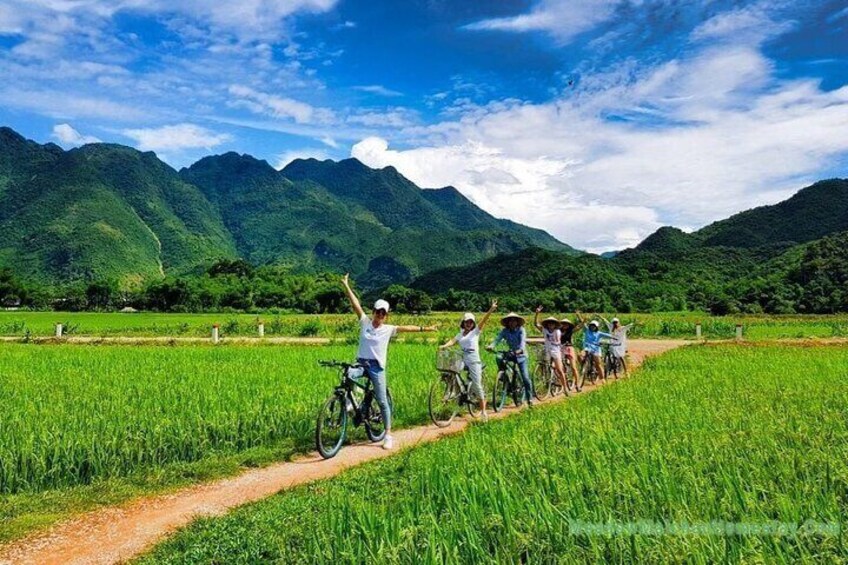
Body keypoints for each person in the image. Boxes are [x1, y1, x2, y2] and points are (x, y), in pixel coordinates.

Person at [341, 274, 436, 450]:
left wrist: (426, 328)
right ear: (373, 311)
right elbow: (355, 304)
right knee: (347, 373)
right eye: (378, 311)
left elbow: (407, 328)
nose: (380, 315)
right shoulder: (365, 322)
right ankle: (350, 400)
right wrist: (346, 285)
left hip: (376, 367)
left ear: (386, 315)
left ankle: (388, 434)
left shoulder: (388, 329)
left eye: (383, 313)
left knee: (382, 401)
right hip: (361, 363)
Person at [439, 300, 498, 421]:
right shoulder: (460, 334)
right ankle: (452, 391)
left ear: (473, 323)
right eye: (467, 322)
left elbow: (483, 321)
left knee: (477, 385)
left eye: (471, 322)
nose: (469, 324)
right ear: (463, 323)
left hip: (474, 360)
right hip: (463, 358)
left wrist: (491, 310)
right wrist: (444, 346)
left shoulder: (475, 332)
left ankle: (483, 411)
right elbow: (453, 341)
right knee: (452, 370)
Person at [486, 312, 534, 407]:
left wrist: (520, 350)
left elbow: (522, 343)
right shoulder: (505, 331)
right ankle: (504, 377)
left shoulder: (521, 330)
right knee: (499, 357)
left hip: (521, 355)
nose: (512, 323)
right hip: (511, 353)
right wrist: (491, 346)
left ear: (517, 322)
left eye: (514, 321)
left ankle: (530, 399)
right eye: (510, 321)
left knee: (525, 377)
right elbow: (497, 339)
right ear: (507, 323)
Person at [533, 306, 569, 394]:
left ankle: (565, 388)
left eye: (552, 323)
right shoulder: (544, 330)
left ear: (555, 325)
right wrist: (537, 313)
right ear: (547, 324)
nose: (550, 325)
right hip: (547, 349)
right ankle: (546, 379)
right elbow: (536, 324)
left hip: (555, 350)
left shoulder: (557, 331)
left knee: (559, 370)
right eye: (549, 323)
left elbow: (556, 342)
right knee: (543, 363)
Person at [575, 311, 613, 381]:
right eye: (591, 325)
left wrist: (615, 337)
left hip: (596, 349)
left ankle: (602, 379)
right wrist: (578, 315)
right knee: (579, 355)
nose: (592, 327)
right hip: (587, 348)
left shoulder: (599, 333)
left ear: (596, 327)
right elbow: (582, 322)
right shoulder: (587, 330)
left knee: (598, 364)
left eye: (594, 326)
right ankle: (584, 366)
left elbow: (609, 335)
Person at [559, 316, 584, 390]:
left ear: (569, 325)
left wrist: (582, 321)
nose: (565, 325)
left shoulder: (570, 331)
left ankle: (577, 384)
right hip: (561, 348)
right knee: (559, 366)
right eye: (563, 323)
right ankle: (562, 383)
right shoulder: (558, 331)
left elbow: (579, 327)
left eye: (566, 324)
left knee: (573, 367)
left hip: (569, 348)